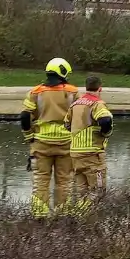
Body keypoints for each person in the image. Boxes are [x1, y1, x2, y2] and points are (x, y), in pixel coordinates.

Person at [20, 57, 79, 218]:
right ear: (63, 72)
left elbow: (25, 117)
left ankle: (40, 217)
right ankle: (63, 215)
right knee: (64, 182)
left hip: (41, 143)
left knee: (40, 181)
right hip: (67, 143)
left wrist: (29, 137)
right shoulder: (73, 92)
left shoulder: (35, 92)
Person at [68, 74, 113, 215]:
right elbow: (105, 120)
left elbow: (66, 124)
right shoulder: (97, 104)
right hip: (92, 154)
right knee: (98, 193)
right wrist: (104, 134)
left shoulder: (75, 104)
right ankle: (95, 224)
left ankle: (81, 222)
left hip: (75, 155)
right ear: (100, 88)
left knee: (82, 194)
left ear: (86, 88)